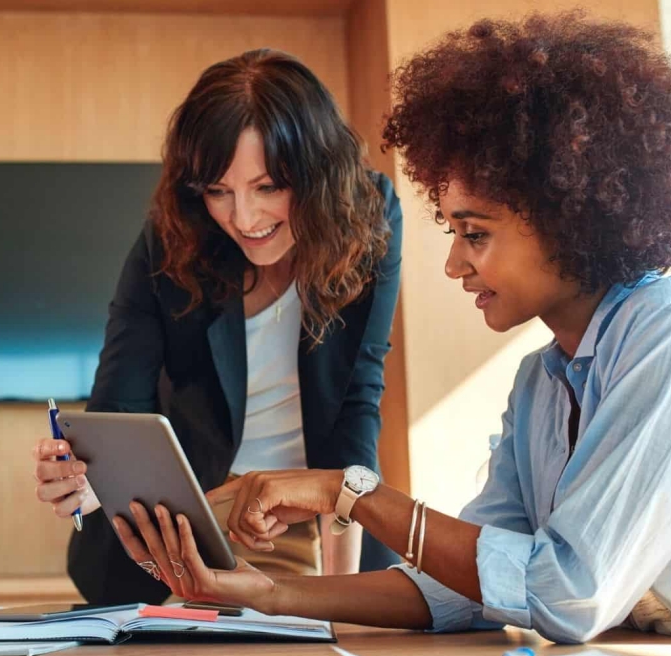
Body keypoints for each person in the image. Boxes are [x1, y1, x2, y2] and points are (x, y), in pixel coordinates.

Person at [112, 12, 671, 650]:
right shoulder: (540, 384)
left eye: (474, 234)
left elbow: (565, 591)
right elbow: (466, 589)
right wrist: (270, 595)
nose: (453, 264)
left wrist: (346, 492)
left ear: (567, 216)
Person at [31, 48, 404, 604]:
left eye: (268, 187)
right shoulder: (173, 237)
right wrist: (86, 481)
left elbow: (356, 400)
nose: (244, 219)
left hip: (321, 522)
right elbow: (119, 407)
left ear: (318, 174)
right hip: (186, 529)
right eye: (218, 191)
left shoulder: (367, 216)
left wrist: (342, 596)